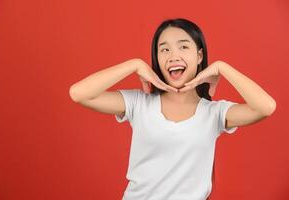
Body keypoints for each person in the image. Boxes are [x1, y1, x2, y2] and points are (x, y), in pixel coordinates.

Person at [69, 18, 276, 200]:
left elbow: (265, 107)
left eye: (183, 47)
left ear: (200, 56)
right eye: (164, 49)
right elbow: (79, 93)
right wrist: (134, 65)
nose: (173, 55)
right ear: (157, 59)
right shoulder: (139, 103)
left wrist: (222, 67)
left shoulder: (214, 113)